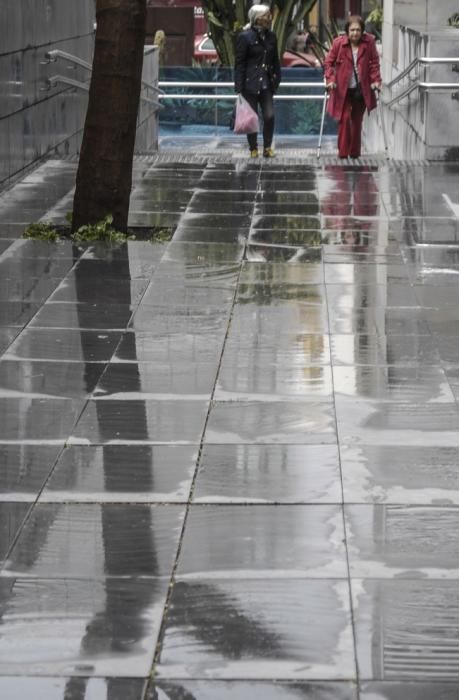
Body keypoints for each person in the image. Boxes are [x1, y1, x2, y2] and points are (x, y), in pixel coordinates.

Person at [324, 15, 382, 159]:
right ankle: (343, 154)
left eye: (358, 30)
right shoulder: (338, 43)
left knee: (357, 121)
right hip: (341, 89)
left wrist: (376, 81)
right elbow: (328, 64)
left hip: (361, 89)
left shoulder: (369, 43)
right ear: (347, 31)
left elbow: (374, 63)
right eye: (352, 30)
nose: (355, 33)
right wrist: (330, 80)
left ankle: (355, 154)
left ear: (362, 31)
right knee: (344, 119)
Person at [234, 4, 281, 158]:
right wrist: (239, 87)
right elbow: (239, 63)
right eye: (266, 16)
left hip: (266, 83)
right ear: (257, 19)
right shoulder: (245, 37)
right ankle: (253, 148)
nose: (269, 18)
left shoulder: (271, 37)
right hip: (250, 83)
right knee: (251, 118)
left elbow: (275, 61)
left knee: (269, 115)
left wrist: (277, 79)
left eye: (269, 15)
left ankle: (267, 147)